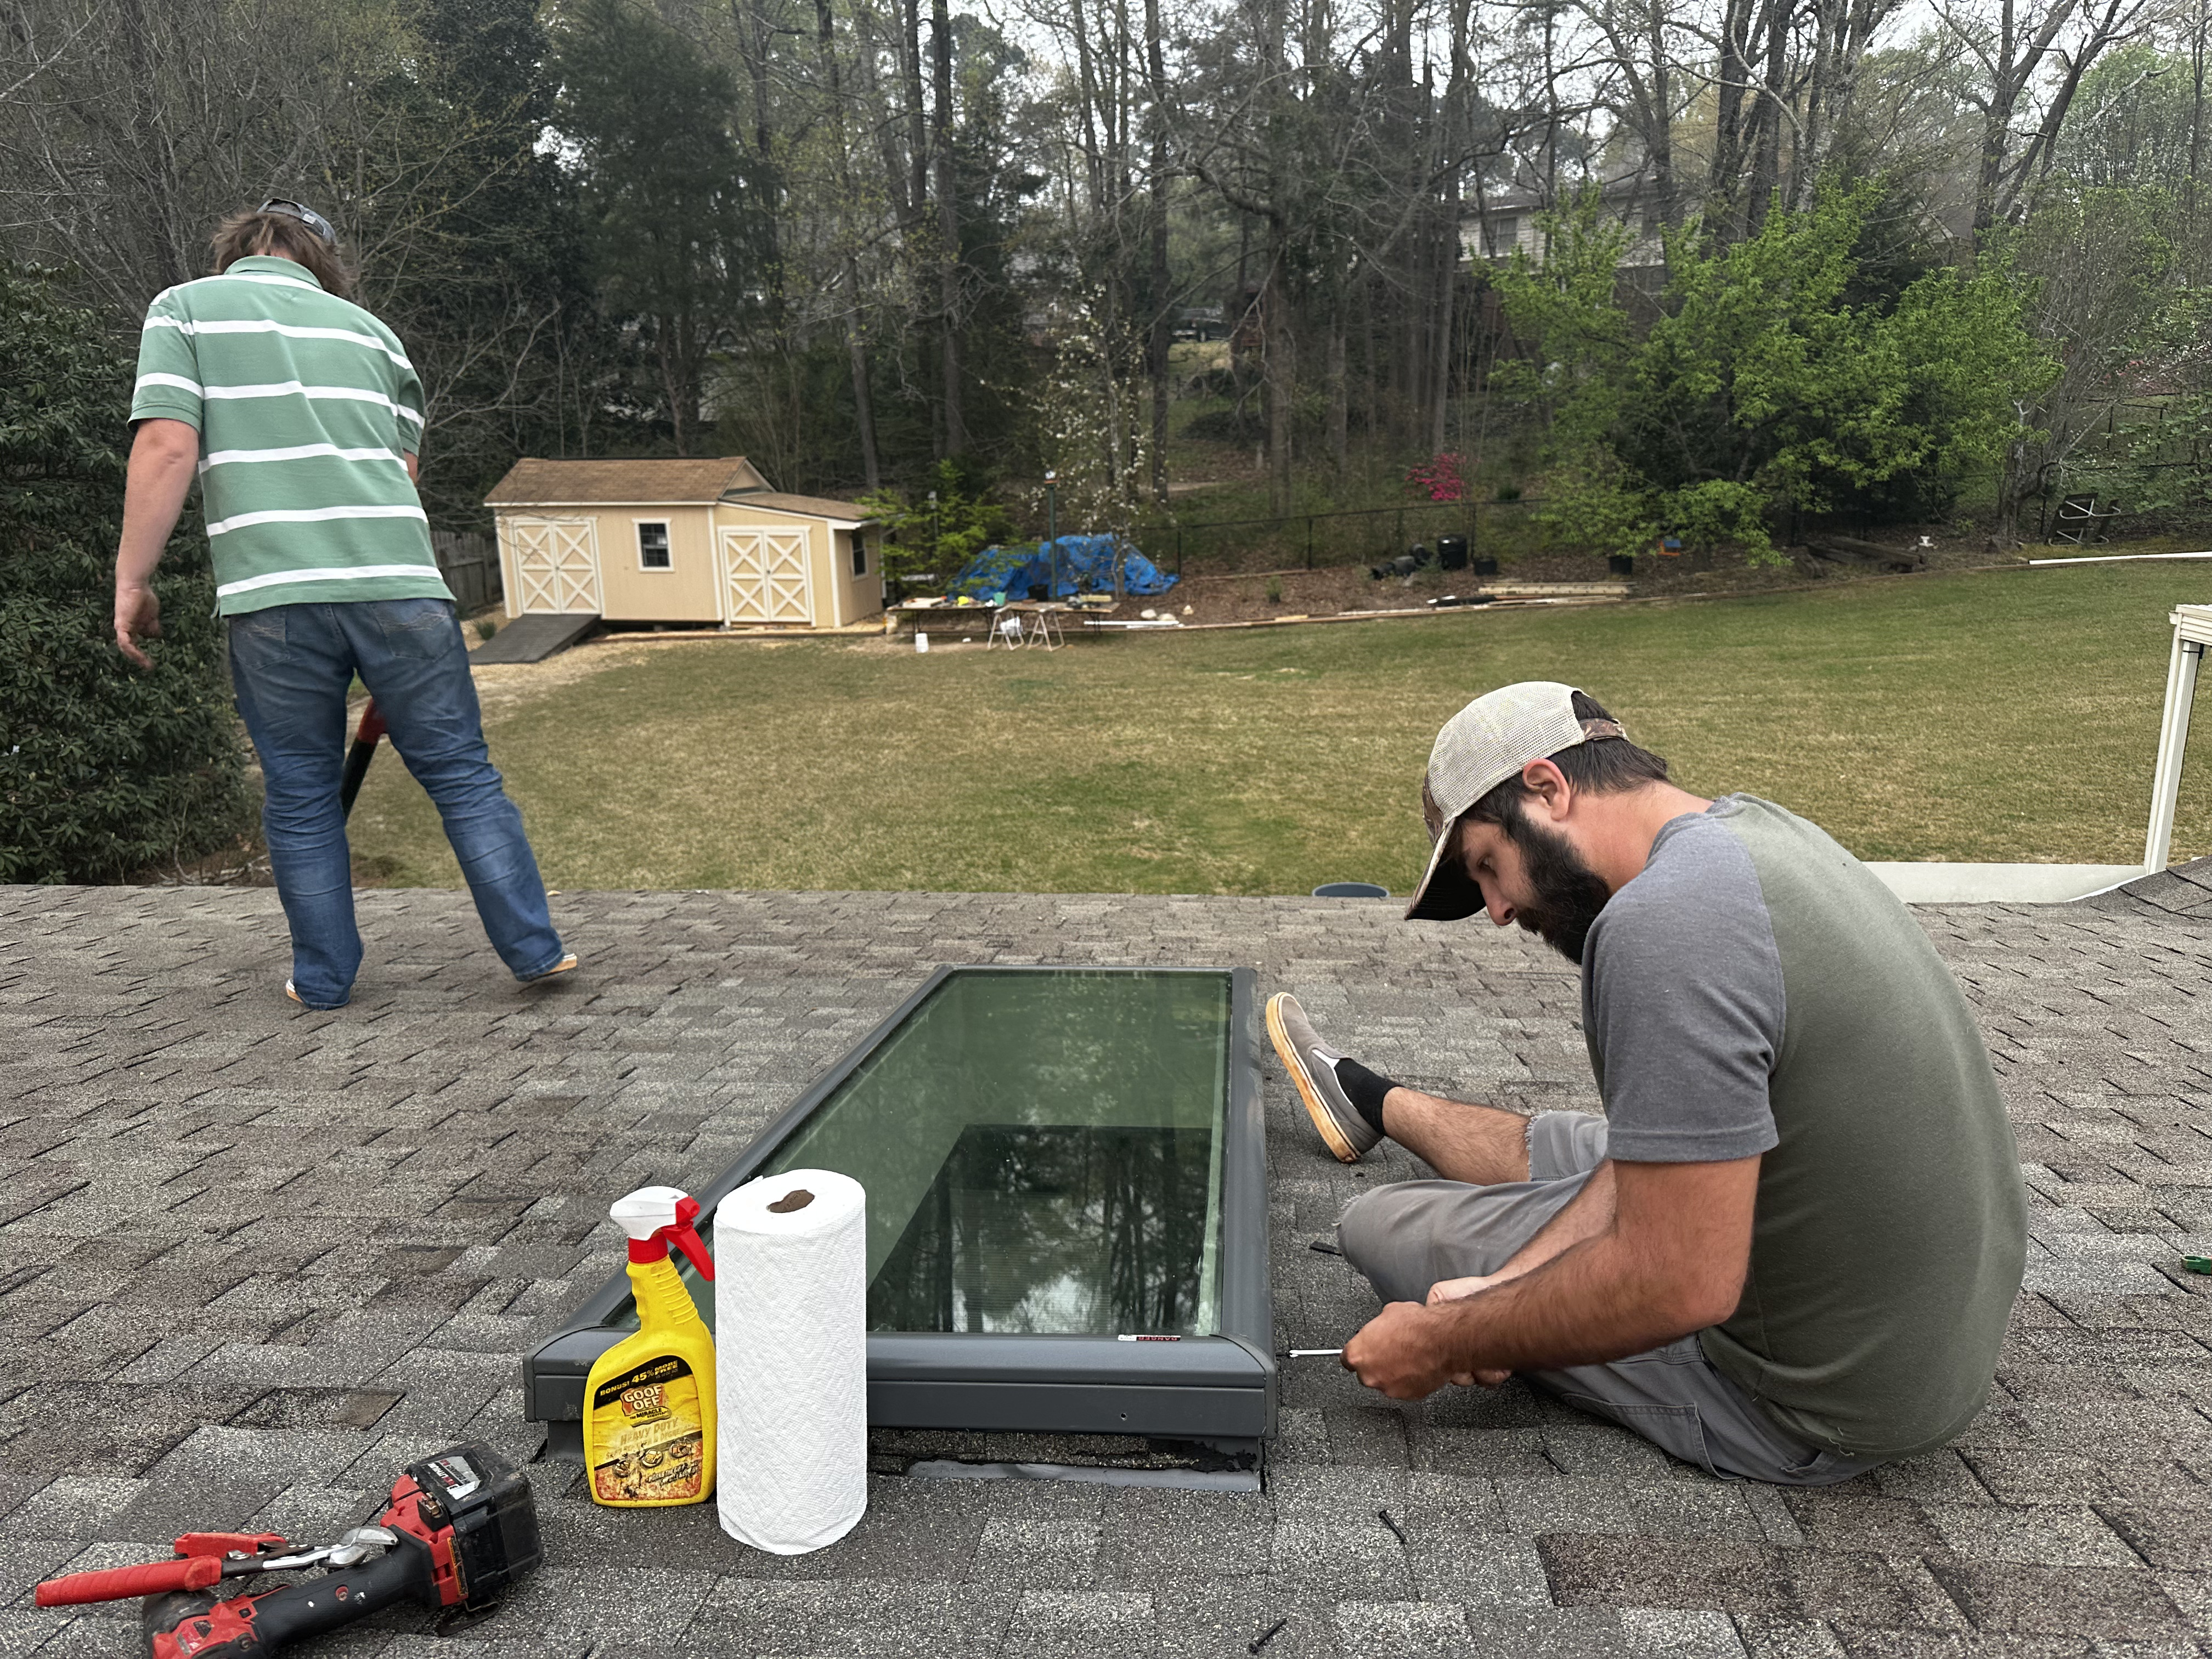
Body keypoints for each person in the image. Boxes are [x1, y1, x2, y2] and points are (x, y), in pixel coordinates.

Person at [1268, 681, 2027, 1484]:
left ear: (1547, 788)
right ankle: (1375, 1101)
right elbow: (1640, 1167)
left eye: (1488, 866)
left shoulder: (1662, 926)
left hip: (1814, 1406)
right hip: (1920, 1342)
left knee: (1383, 1224)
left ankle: (1407, 1178)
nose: (1494, 910)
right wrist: (1505, 1289)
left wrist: (1449, 1339)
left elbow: (1677, 1282)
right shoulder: (1761, 832)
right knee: (1580, 1145)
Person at [116, 199, 573, 1009]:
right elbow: (403, 474)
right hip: (401, 588)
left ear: (236, 255)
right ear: (320, 263)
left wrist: (132, 580)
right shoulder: (374, 334)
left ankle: (324, 980)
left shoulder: (186, 309)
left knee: (299, 789)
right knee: (464, 776)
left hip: (276, 596)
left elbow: (167, 444)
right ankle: (535, 951)